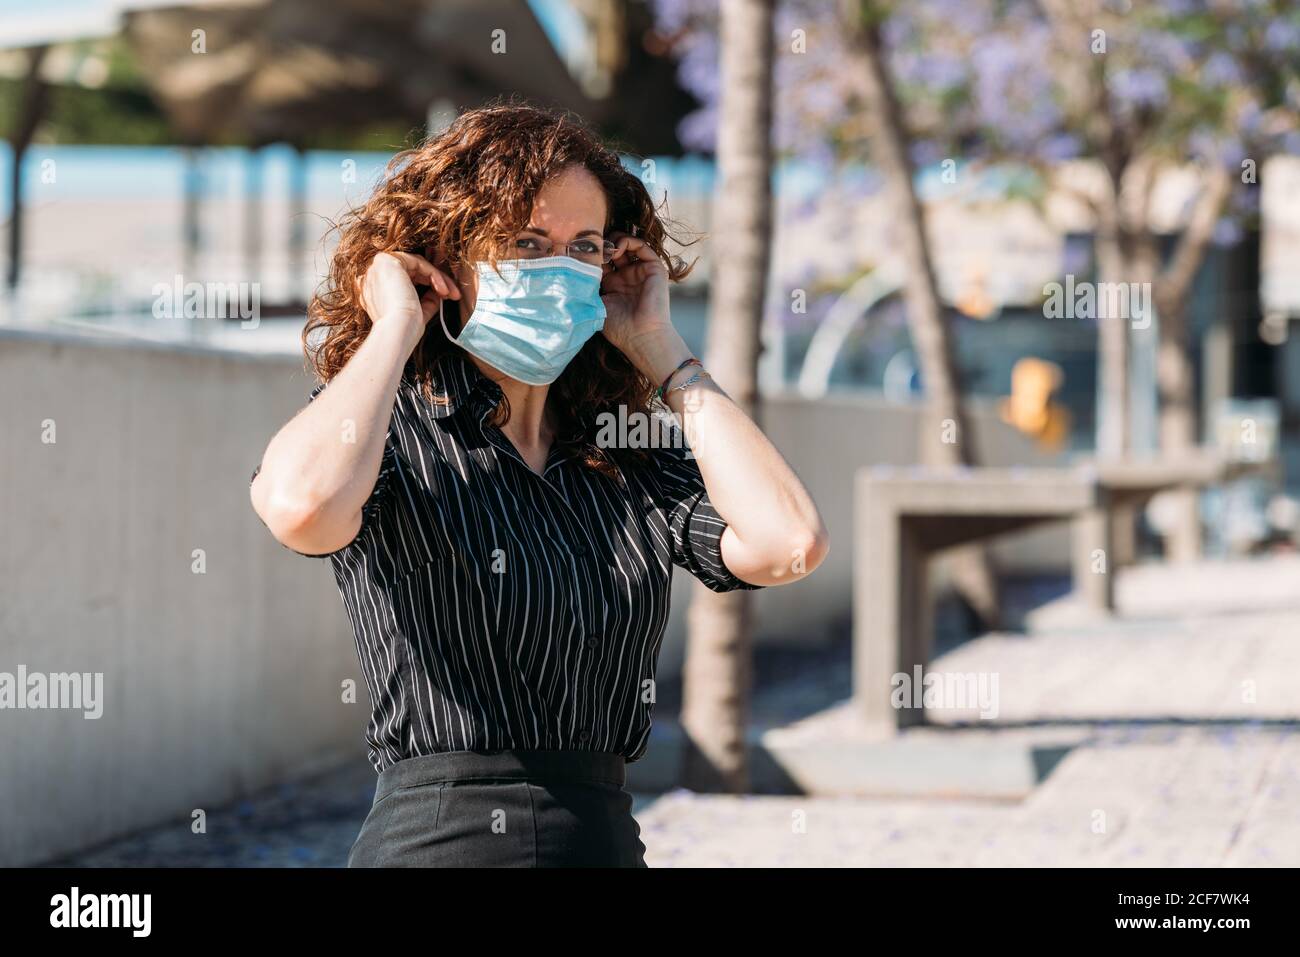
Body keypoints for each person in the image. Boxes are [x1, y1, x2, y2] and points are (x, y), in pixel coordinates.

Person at [249, 104, 828, 867]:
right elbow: (302, 509)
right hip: (436, 842)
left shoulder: (622, 454)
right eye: (526, 244)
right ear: (448, 262)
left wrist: (663, 350)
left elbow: (789, 544)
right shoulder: (396, 434)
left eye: (582, 246)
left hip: (602, 838)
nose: (558, 268)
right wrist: (395, 325)